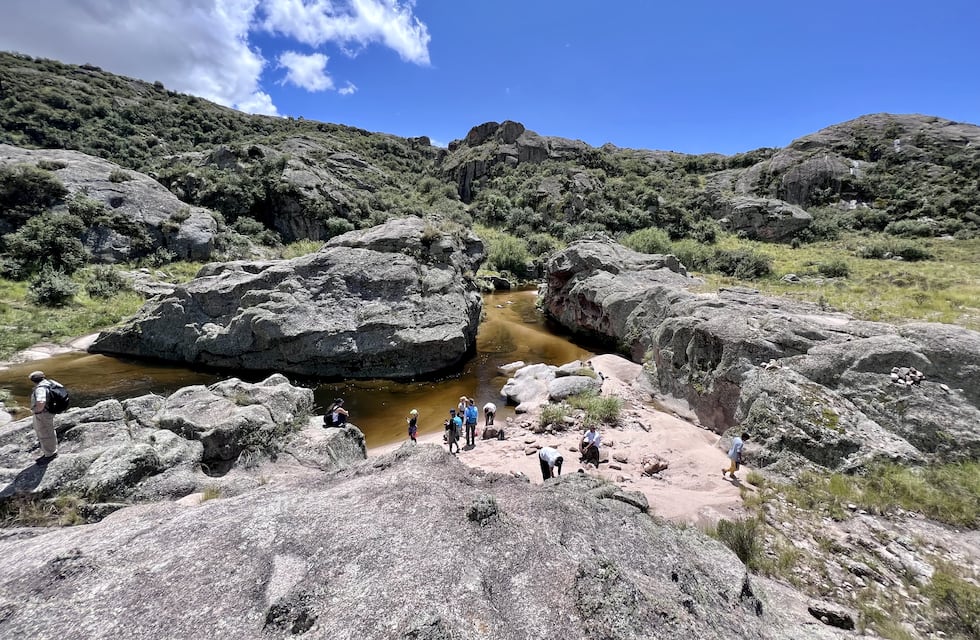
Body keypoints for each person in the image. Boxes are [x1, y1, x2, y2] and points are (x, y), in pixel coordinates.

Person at [29, 371, 59, 465]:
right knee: (49, 431)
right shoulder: (50, 383)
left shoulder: (40, 388)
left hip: (43, 413)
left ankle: (50, 454)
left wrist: (38, 411)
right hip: (50, 411)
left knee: (44, 433)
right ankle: (51, 451)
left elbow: (41, 401)